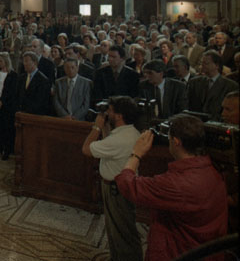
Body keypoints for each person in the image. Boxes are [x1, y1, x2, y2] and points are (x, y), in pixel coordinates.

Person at [115, 114, 228, 261]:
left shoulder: (176, 183)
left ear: (176, 142)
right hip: (209, 250)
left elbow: (127, 184)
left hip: (179, 252)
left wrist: (136, 154)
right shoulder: (213, 169)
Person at [81, 96, 143, 261]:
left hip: (116, 190)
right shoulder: (131, 132)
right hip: (123, 187)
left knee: (121, 230)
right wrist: (106, 128)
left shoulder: (119, 140)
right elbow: (109, 142)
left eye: (110, 110)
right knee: (120, 229)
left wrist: (96, 126)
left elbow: (86, 149)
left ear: (119, 116)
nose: (107, 113)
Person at [187, 50, 238, 120]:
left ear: (217, 65)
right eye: (201, 63)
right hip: (195, 122)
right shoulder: (194, 82)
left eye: (206, 63)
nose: (202, 66)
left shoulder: (231, 86)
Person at [0, 52, 18, 160]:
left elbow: (12, 92)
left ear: (6, 61)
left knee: (7, 128)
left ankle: (7, 150)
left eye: (1, 61)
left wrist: (2, 102)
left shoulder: (13, 75)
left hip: (7, 105)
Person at [17, 51, 51, 116]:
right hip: (21, 114)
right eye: (23, 61)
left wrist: (27, 112)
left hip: (35, 115)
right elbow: (18, 95)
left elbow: (40, 101)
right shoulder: (21, 78)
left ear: (34, 62)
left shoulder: (43, 80)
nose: (24, 64)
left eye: (26, 61)